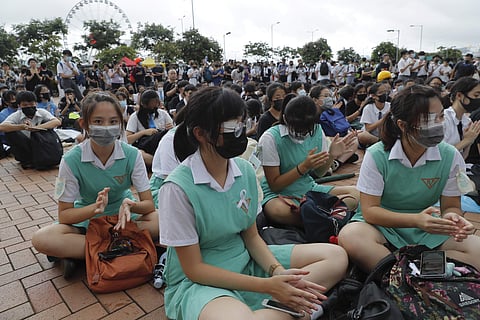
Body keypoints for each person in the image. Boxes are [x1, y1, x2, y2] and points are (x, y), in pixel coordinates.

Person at [158, 86, 347, 320]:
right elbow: (194, 269)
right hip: (203, 283)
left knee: (336, 257)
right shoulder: (177, 188)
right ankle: (297, 308)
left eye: (242, 123)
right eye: (231, 126)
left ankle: (288, 305)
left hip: (247, 259)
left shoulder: (244, 170)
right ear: (200, 133)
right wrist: (267, 285)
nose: (240, 131)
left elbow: (252, 237)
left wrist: (278, 273)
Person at [338, 85, 480, 273]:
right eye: (429, 120)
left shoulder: (450, 156)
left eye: (440, 116)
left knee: (477, 249)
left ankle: (401, 268)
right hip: (382, 227)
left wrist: (451, 218)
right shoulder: (377, 155)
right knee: (351, 236)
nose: (439, 124)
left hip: (427, 226)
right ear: (402, 125)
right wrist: (415, 220)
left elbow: (451, 205)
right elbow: (370, 211)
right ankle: (419, 271)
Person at [31, 91, 159, 278]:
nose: (106, 127)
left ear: (121, 124)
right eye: (98, 122)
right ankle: (122, 248)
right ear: (84, 125)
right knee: (42, 239)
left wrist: (132, 205)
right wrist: (95, 208)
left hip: (124, 220)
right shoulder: (71, 160)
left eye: (113, 121)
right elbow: (65, 214)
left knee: (163, 221)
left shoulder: (132, 155)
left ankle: (85, 254)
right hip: (87, 222)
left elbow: (148, 205)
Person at [258, 95, 359, 227]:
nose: (302, 134)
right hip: (278, 194)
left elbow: (320, 173)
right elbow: (275, 185)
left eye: (307, 129)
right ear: (285, 119)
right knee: (277, 211)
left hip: (308, 189)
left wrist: (331, 155)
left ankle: (319, 217)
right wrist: (303, 167)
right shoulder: (270, 138)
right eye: (297, 128)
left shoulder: (317, 130)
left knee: (356, 194)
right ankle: (330, 216)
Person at [0, 91, 61, 168]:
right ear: (19, 106)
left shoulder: (41, 112)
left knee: (48, 127)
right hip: (26, 145)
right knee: (10, 132)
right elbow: (2, 127)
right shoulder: (16, 115)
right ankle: (26, 160)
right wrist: (21, 127)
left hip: (42, 143)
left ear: (36, 103)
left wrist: (37, 128)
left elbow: (57, 122)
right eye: (25, 105)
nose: (29, 106)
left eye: (32, 104)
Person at [126, 89, 173, 167]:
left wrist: (170, 128)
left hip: (162, 144)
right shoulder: (135, 117)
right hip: (144, 146)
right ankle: (159, 164)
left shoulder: (163, 114)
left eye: (155, 104)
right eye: (151, 105)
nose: (153, 108)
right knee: (140, 155)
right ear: (144, 104)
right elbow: (127, 139)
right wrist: (143, 132)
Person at [442, 77, 480, 160]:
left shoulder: (467, 121)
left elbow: (462, 157)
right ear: (459, 95)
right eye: (476, 95)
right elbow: (440, 154)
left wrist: (469, 141)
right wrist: (466, 140)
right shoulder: (444, 119)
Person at [358, 83, 391, 147]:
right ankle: (380, 143)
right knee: (362, 136)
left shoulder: (390, 106)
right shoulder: (368, 108)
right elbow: (368, 128)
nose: (384, 94)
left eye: (385, 92)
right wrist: (384, 118)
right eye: (381, 92)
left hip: (386, 134)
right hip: (372, 136)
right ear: (373, 96)